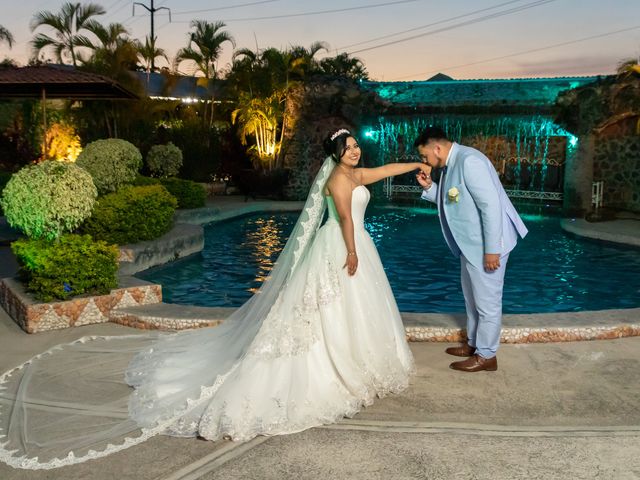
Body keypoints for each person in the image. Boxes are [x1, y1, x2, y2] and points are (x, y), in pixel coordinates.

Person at [0, 128, 428, 470]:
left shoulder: (358, 173)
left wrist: (417, 164)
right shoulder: (338, 179)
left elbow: (387, 168)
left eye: (355, 146)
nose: (354, 151)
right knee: (323, 315)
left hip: (357, 249)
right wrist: (352, 251)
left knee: (353, 312)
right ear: (334, 154)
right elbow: (347, 220)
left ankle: (359, 361)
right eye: (347, 147)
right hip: (341, 246)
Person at [415, 126, 528, 373]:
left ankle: (487, 356)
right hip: (470, 245)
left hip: (486, 245)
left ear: (436, 148)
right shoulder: (451, 164)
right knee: (472, 299)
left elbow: (491, 207)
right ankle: (474, 344)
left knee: (487, 302)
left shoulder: (469, 161)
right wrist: (428, 187)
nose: (424, 161)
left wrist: (492, 250)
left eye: (424, 156)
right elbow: (452, 202)